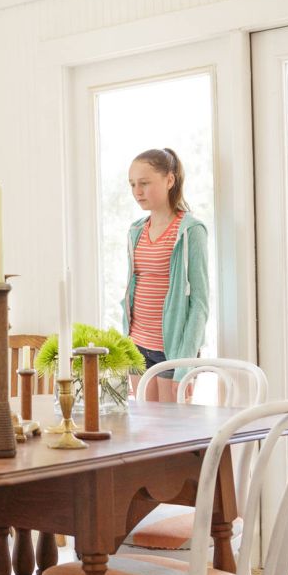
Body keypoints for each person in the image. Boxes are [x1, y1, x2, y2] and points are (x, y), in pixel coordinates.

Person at [121, 147, 209, 403]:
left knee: (171, 432)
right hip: (137, 345)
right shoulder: (135, 231)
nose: (137, 191)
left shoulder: (191, 231)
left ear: (170, 180)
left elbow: (200, 304)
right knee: (143, 429)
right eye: (133, 184)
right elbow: (132, 289)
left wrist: (185, 366)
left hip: (173, 350)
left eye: (145, 183)